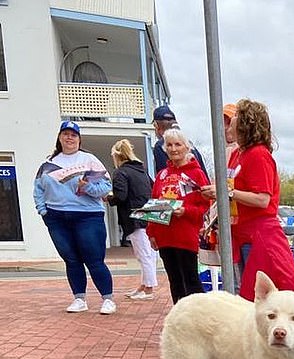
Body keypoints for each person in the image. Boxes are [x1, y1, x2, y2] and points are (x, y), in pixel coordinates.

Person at [200, 99, 294, 300]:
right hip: (239, 233)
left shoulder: (258, 155)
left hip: (257, 237)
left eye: (234, 116)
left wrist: (225, 192)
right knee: (242, 293)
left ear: (246, 123)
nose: (230, 122)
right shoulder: (237, 154)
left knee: (256, 295)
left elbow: (263, 199)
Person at [33, 121, 117, 315]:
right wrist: (43, 211)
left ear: (79, 139)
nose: (69, 138)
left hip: (88, 217)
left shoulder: (90, 160)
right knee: (71, 260)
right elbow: (38, 189)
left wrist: (86, 187)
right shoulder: (48, 164)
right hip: (56, 218)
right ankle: (79, 298)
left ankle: (108, 299)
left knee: (94, 260)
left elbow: (105, 188)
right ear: (59, 137)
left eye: (74, 134)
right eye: (66, 134)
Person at [146, 128, 210, 304]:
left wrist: (186, 211)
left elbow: (205, 205)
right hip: (165, 235)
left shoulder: (196, 174)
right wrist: (151, 232)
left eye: (177, 144)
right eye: (169, 145)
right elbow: (154, 203)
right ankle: (179, 317)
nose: (173, 149)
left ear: (186, 147)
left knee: (190, 280)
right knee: (174, 281)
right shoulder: (162, 174)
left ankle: (200, 317)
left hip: (185, 234)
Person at [108, 139, 158, 300]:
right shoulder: (141, 170)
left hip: (133, 217)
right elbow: (153, 187)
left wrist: (109, 198)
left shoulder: (120, 172)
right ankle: (144, 285)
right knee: (149, 253)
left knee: (143, 254)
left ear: (117, 156)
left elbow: (121, 196)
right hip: (148, 214)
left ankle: (149, 288)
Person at [152, 105, 209, 181]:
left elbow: (164, 180)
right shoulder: (189, 145)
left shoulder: (160, 146)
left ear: (156, 125)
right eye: (170, 145)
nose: (173, 148)